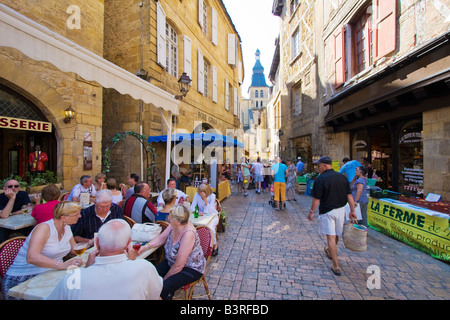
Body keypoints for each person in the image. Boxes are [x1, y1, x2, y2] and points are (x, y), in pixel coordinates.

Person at [48, 219, 163, 300]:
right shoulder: (144, 267)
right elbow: (154, 296)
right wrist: (131, 262)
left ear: (97, 243)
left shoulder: (73, 278)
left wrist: (88, 268)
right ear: (128, 243)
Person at [2, 202, 83, 299]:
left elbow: (74, 250)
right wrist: (62, 265)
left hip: (49, 274)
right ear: (63, 217)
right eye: (76, 214)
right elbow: (32, 257)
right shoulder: (44, 228)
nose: (80, 216)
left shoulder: (67, 228)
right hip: (23, 279)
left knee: (77, 289)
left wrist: (94, 244)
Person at [138, 205, 206, 300]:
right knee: (150, 275)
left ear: (179, 221)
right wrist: (145, 247)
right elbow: (161, 238)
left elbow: (179, 266)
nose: (168, 218)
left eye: (170, 217)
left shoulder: (188, 234)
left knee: (163, 287)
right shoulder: (174, 225)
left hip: (191, 267)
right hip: (172, 262)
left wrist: (161, 282)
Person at [307, 156, 357, 276]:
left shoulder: (321, 179)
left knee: (330, 237)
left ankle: (336, 265)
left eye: (319, 166)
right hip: (340, 210)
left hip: (327, 211)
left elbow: (316, 198)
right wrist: (352, 210)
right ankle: (330, 250)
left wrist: (311, 211)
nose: (318, 168)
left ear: (324, 165)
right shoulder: (342, 177)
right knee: (335, 235)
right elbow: (349, 196)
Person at [190, 183, 219, 256]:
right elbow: (192, 207)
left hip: (212, 215)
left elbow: (211, 210)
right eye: (200, 192)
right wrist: (197, 211)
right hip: (201, 216)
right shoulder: (197, 195)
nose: (201, 194)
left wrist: (205, 200)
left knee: (210, 227)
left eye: (202, 192)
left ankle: (215, 245)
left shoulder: (212, 196)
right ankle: (198, 244)